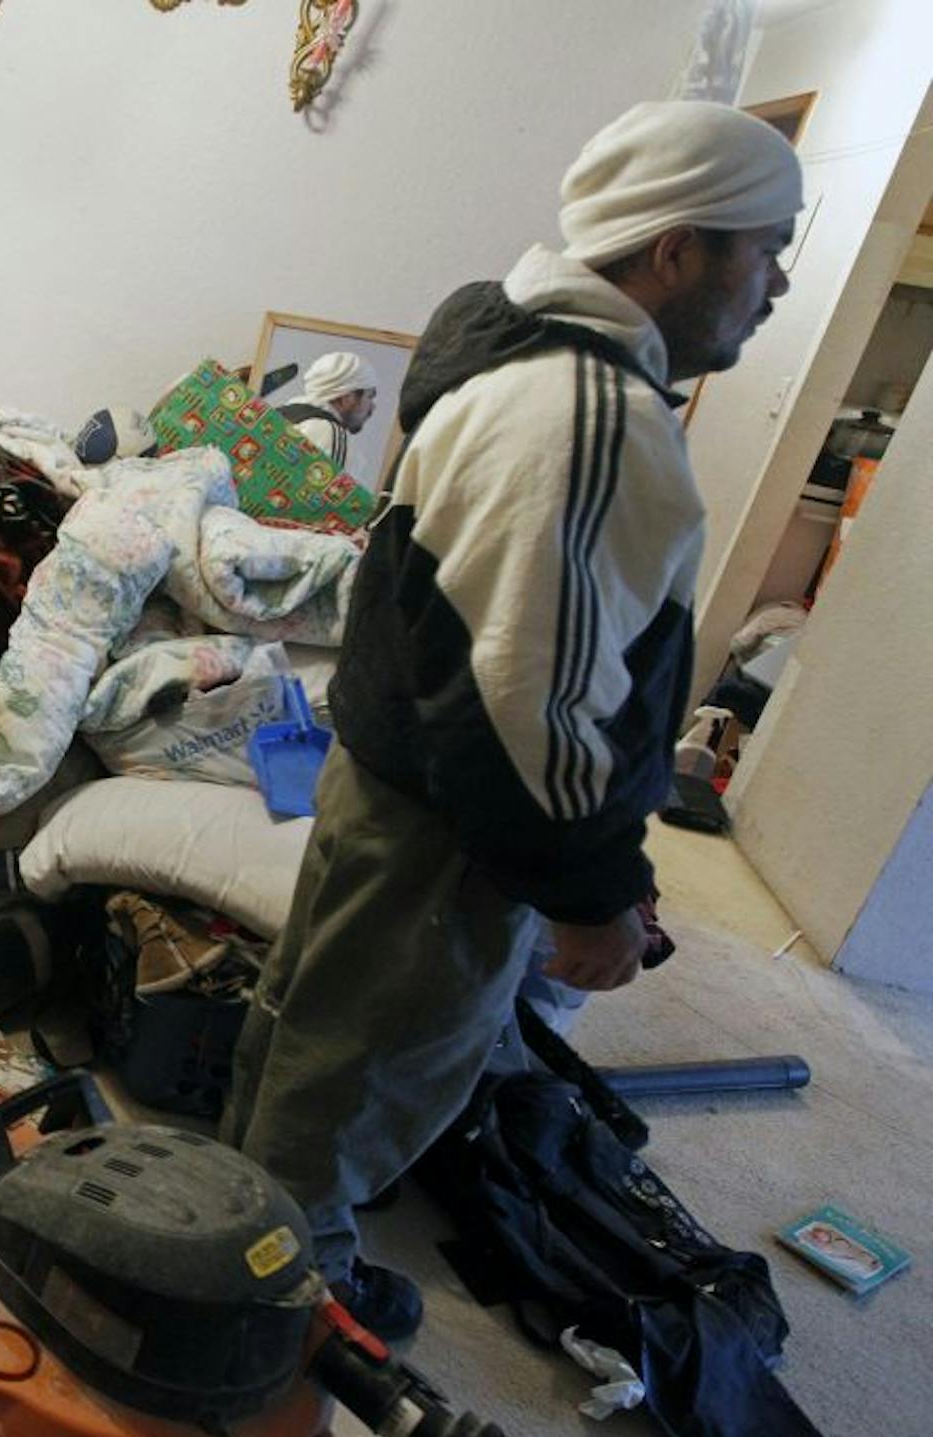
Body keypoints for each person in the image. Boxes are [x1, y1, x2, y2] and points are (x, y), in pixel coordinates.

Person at [220, 99, 801, 1342]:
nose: (780, 284)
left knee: (313, 1026)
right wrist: (592, 894)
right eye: (767, 249)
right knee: (365, 1070)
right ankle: (276, 1308)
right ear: (675, 249)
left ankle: (240, 1237)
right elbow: (529, 703)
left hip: (401, 777)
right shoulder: (586, 419)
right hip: (454, 822)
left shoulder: (512, 351)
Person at [277, 351, 379, 471]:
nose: (372, 407)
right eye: (370, 397)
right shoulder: (332, 437)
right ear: (348, 398)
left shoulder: (276, 415)